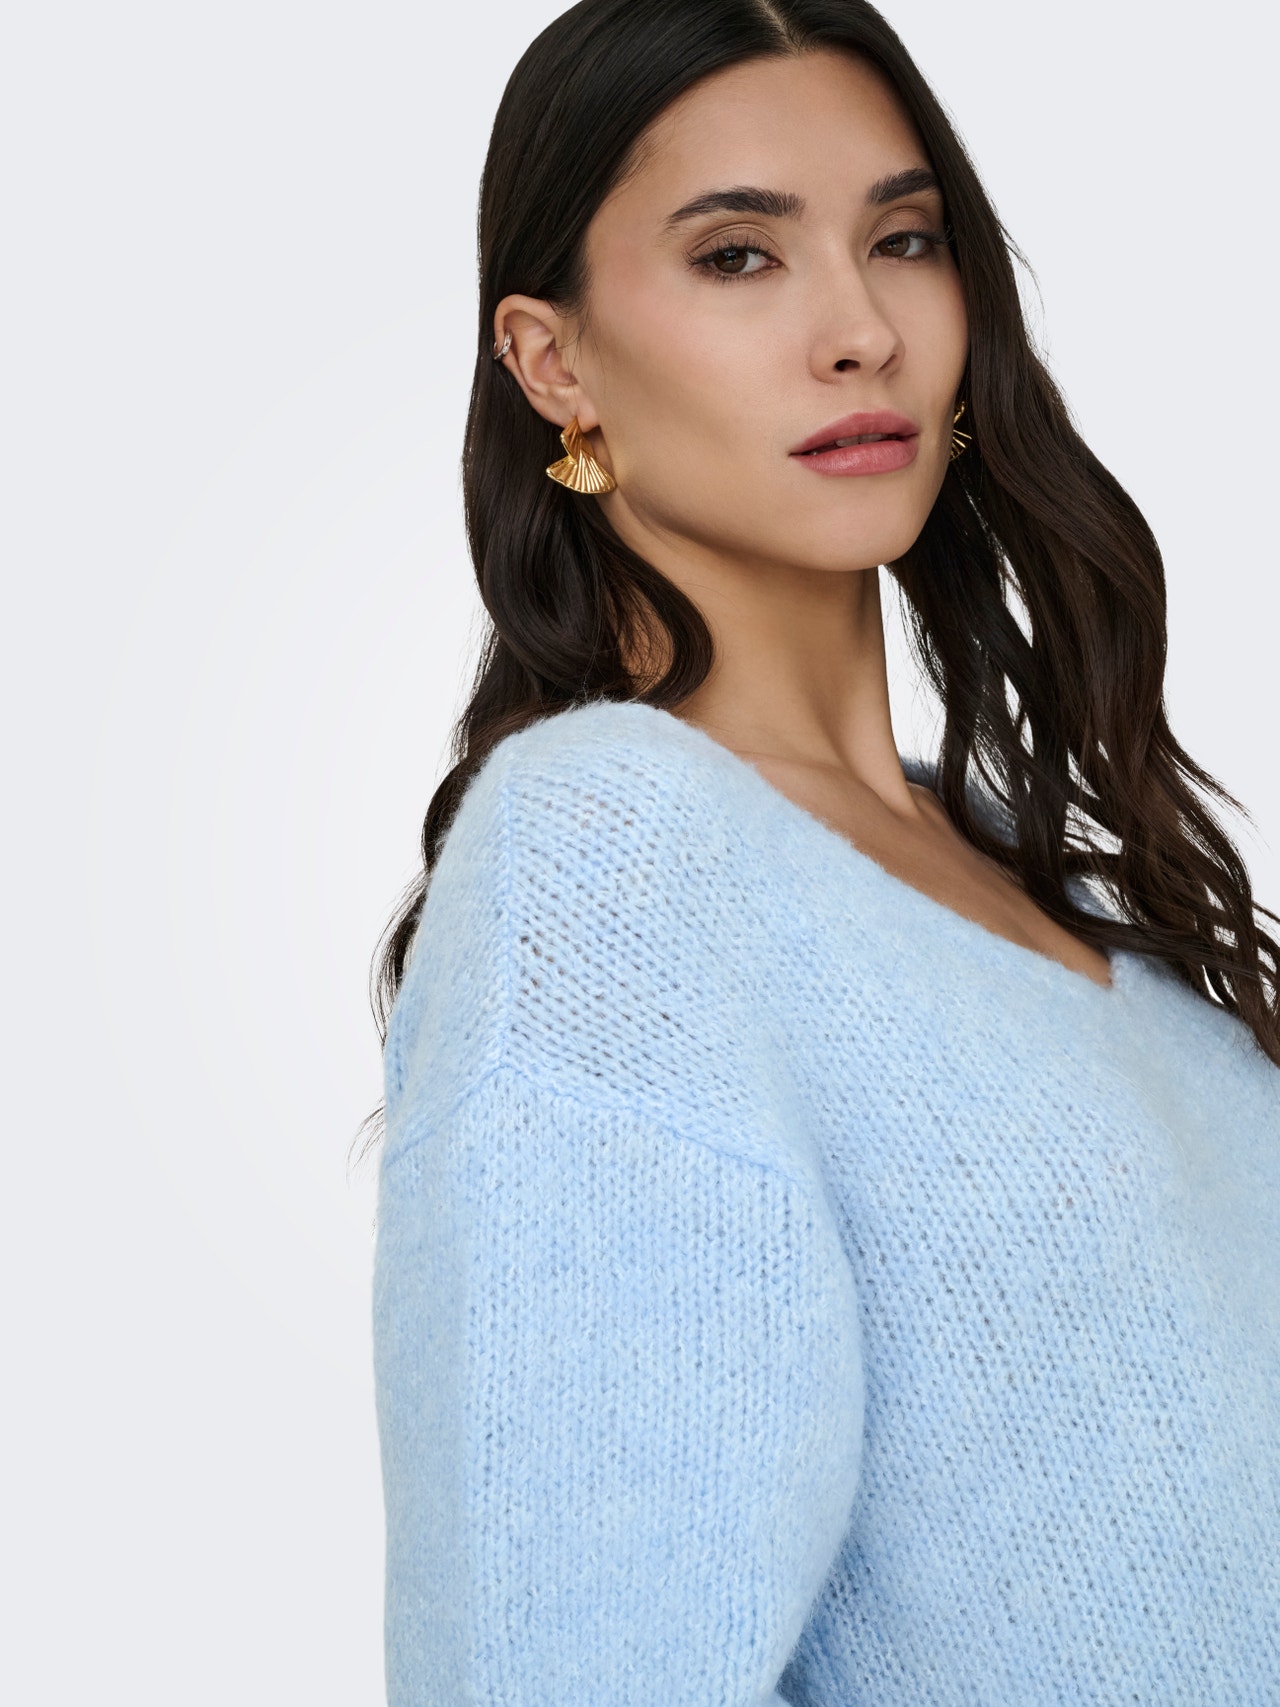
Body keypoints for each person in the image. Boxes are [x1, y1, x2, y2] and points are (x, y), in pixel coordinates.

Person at [367, 2, 1280, 1701]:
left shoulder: (1042, 866)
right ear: (553, 362)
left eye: (904, 240)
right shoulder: (606, 858)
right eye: (738, 257)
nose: (861, 331)